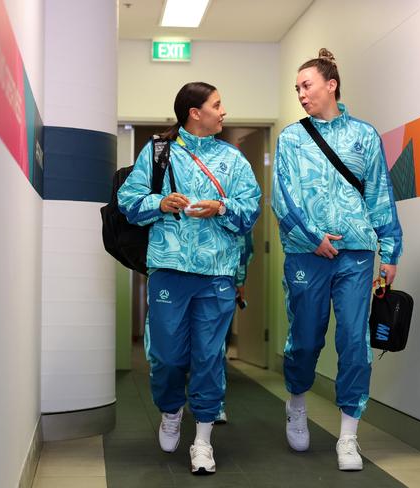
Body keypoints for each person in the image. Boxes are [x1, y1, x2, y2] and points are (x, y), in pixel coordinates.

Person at [118, 82, 261, 475]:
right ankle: (169, 410)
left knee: (209, 356)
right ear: (194, 113)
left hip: (217, 272)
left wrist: (222, 206)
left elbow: (251, 210)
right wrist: (159, 202)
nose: (223, 111)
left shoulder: (233, 160)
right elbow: (128, 200)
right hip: (169, 268)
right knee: (166, 355)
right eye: (217, 105)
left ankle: (202, 440)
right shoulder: (158, 153)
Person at [271, 49, 403, 471]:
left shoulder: (364, 135)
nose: (301, 94)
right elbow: (282, 196)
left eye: (306, 85)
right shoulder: (291, 137)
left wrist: (390, 249)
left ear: (331, 85)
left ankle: (348, 437)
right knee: (307, 338)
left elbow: (379, 194)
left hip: (357, 253)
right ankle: (296, 402)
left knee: (354, 343)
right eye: (297, 89)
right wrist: (311, 238)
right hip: (307, 254)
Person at [215, 231, 254, 424]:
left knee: (217, 346)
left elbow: (244, 245)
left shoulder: (232, 201)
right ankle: (175, 403)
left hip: (222, 278)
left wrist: (239, 281)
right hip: (181, 272)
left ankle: (215, 404)